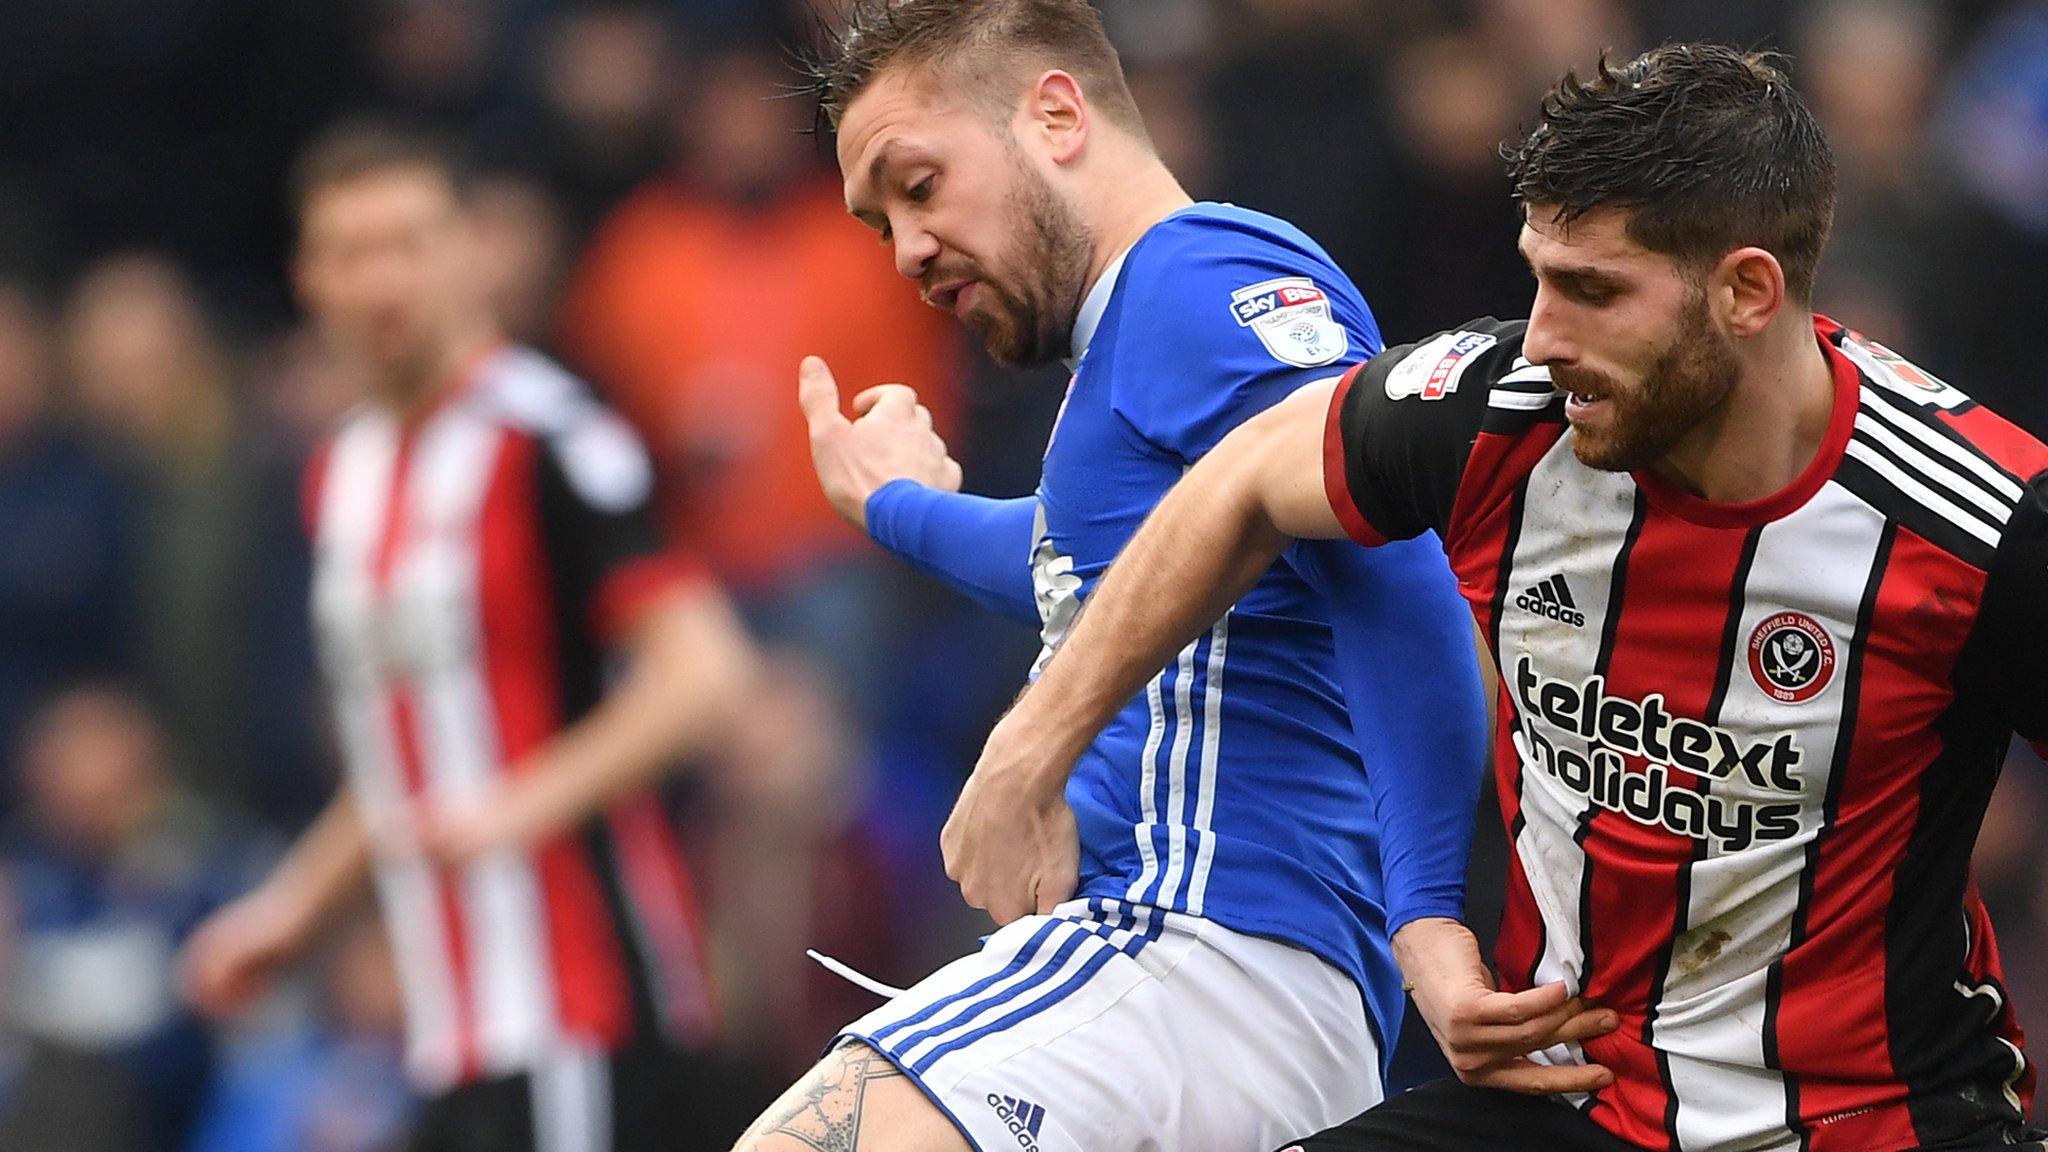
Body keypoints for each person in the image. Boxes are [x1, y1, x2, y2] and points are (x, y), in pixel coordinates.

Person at [967, 43, 2048, 1152]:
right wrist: (1028, 755)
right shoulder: (1497, 415)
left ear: (1744, 292)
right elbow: (1240, 479)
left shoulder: (1977, 522)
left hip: (1877, 1124)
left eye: (1591, 291)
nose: (1540, 336)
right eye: (1535, 274)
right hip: (1564, 1101)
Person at [733, 2, 1489, 1150]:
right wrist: (898, 507)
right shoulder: (1130, 343)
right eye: (877, 221)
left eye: (919, 185)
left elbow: (1393, 568)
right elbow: (1083, 569)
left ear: (1053, 114)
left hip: (1195, 949)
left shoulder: (1199, 275)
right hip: (1234, 995)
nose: (904, 251)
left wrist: (1428, 916)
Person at [180, 121, 763, 1152]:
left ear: (470, 253)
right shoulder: (340, 474)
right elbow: (407, 747)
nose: (381, 279)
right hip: (445, 1029)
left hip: (580, 1007)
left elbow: (703, 671)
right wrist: (291, 910)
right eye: (350, 252)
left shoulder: (547, 438)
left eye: (407, 241)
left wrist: (520, 807)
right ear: (308, 278)